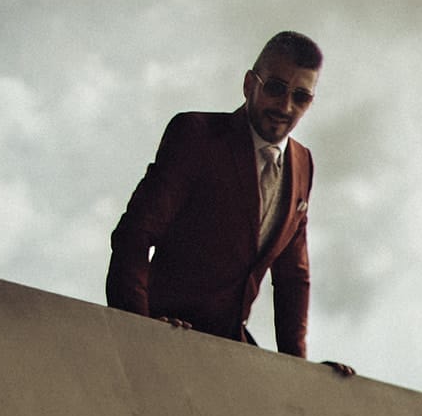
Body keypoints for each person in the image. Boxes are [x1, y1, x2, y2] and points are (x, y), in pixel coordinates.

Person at [106, 31, 355, 375]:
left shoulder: (303, 164)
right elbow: (134, 234)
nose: (285, 107)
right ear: (249, 84)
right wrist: (136, 327)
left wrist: (300, 374)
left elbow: (292, 279)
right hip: (165, 333)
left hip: (228, 346)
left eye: (300, 97)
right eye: (276, 88)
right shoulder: (196, 135)